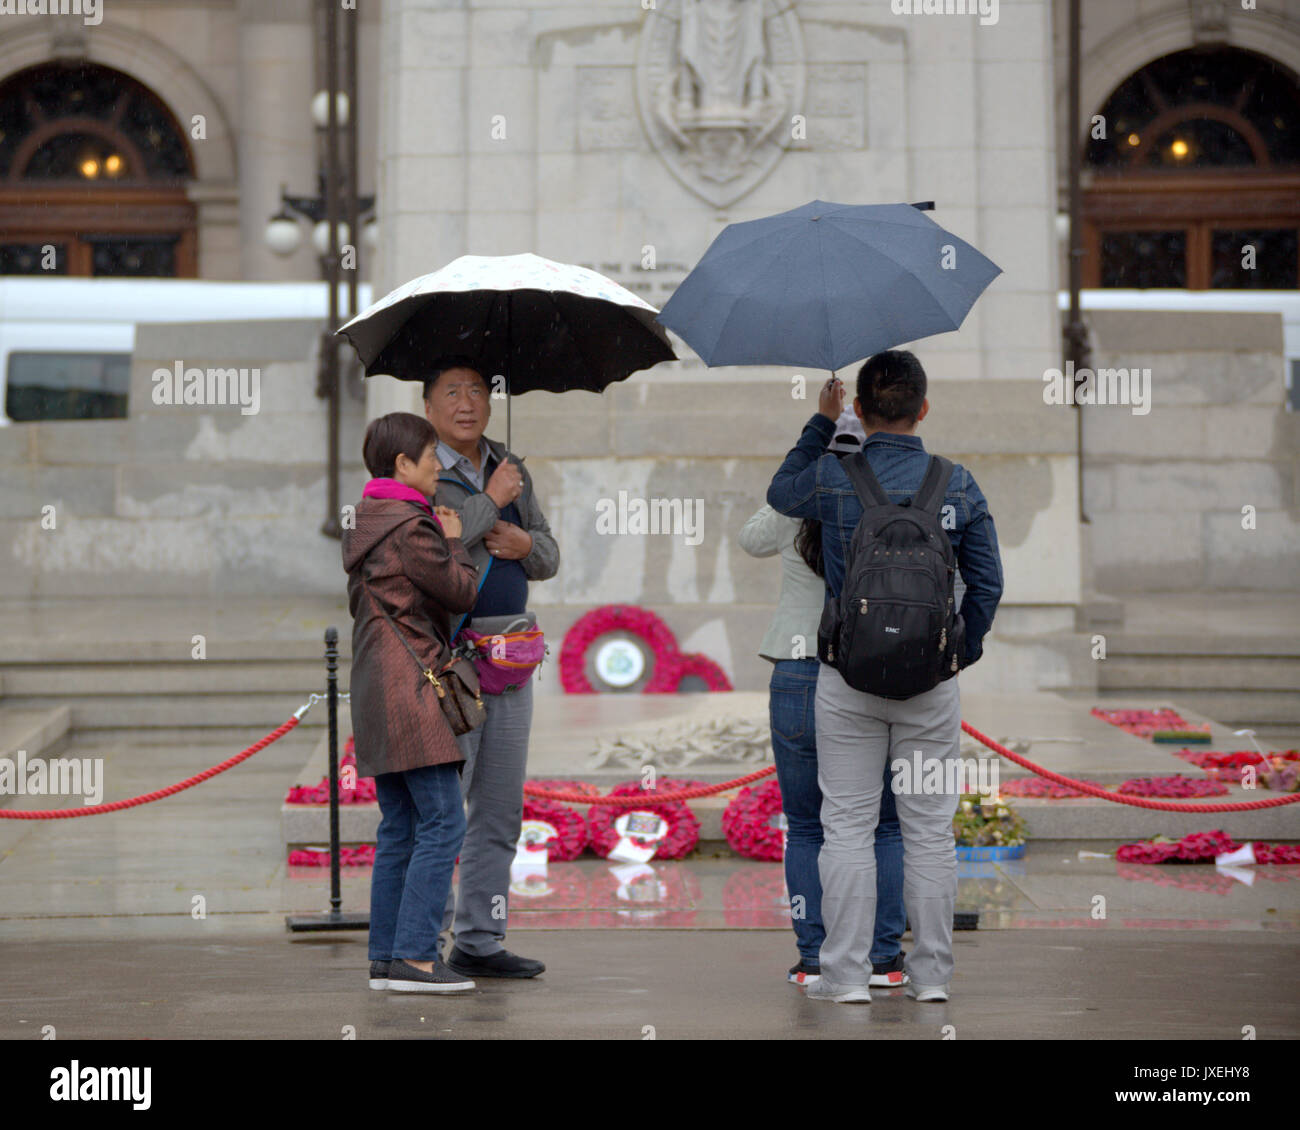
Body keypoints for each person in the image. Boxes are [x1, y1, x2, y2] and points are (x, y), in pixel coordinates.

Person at [767, 350, 1003, 1004]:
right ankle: (929, 979)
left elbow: (780, 493)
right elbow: (988, 584)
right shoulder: (956, 483)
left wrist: (820, 425)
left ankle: (843, 980)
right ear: (923, 408)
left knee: (844, 828)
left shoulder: (835, 477)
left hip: (847, 684)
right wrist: (959, 650)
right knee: (929, 831)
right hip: (931, 688)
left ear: (861, 412)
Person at [738, 411, 909, 990]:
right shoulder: (879, 502)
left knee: (807, 826)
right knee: (883, 826)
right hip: (868, 670)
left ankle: (813, 958)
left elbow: (751, 537)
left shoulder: (801, 499)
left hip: (797, 668)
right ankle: (884, 958)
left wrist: (807, 450)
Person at [422, 355, 560, 979]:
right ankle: (422, 946)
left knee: (501, 810)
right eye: (452, 392)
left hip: (512, 656)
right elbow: (429, 553)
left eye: (477, 390)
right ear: (429, 406)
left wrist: (526, 544)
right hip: (451, 662)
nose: (467, 403)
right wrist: (489, 501)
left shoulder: (514, 467)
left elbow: (550, 555)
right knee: (446, 811)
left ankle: (479, 938)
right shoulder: (421, 470)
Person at [342, 411, 480, 993]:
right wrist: (455, 541)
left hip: (378, 683)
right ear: (402, 464)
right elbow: (459, 591)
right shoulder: (411, 526)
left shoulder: (368, 520)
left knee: (401, 823)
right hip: (413, 687)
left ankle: (388, 956)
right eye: (430, 457)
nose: (437, 467)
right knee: (444, 821)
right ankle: (418, 958)